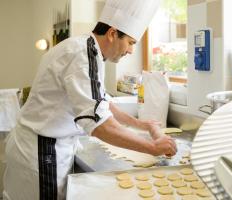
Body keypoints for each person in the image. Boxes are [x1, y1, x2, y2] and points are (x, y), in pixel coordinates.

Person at [3, 0, 177, 199]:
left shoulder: (88, 50)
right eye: (130, 42)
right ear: (112, 34)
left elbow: (101, 101)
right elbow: (99, 125)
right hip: (43, 154)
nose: (130, 51)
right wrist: (152, 147)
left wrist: (140, 124)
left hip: (42, 147)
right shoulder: (82, 54)